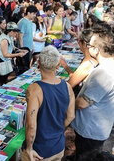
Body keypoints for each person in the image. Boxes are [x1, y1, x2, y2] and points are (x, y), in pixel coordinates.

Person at [21, 45, 75, 160]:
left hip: (39, 150)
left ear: (38, 63)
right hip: (58, 146)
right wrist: (57, 129)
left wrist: (29, 148)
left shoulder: (34, 89)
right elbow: (70, 116)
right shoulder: (67, 87)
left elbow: (31, 126)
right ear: (58, 65)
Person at [70, 22, 114, 160]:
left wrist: (68, 102)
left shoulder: (103, 72)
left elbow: (82, 103)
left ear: (96, 49)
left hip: (90, 131)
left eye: (89, 45)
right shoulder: (107, 66)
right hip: (96, 128)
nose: (87, 48)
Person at [0, 22, 27, 88]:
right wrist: (18, 54)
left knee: (3, 79)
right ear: (10, 31)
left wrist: (20, 50)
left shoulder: (10, 36)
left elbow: (12, 47)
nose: (16, 33)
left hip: (2, 60)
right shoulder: (4, 40)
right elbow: (5, 54)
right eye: (15, 32)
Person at [61, 29, 98, 96]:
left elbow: (69, 84)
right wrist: (65, 65)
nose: (77, 43)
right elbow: (76, 77)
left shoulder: (88, 63)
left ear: (84, 44)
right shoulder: (90, 59)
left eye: (78, 40)